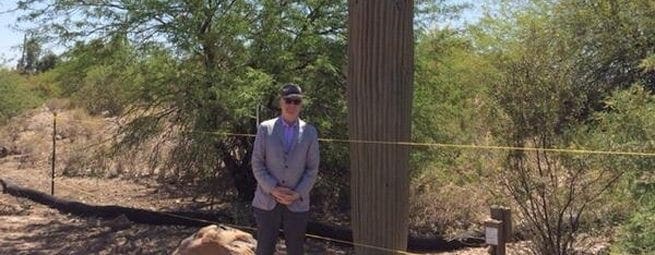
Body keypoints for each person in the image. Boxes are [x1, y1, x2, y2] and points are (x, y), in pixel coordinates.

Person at [251, 83, 320, 255]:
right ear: (281, 102)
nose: (291, 105)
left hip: (297, 203)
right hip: (266, 202)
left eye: (296, 101)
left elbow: (312, 169)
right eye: (288, 101)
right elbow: (257, 163)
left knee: (296, 250)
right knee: (264, 249)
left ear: (301, 104)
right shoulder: (265, 129)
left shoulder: (310, 132)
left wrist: (297, 194)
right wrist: (273, 189)